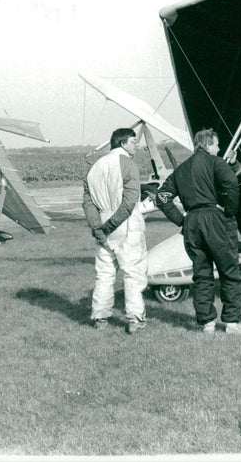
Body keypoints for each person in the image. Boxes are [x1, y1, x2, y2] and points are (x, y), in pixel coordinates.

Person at [156, 128, 241, 335]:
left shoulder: (181, 169)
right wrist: (230, 210)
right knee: (229, 271)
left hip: (192, 222)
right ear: (207, 145)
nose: (219, 149)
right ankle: (232, 322)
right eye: (216, 145)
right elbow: (232, 183)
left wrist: (181, 221)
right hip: (216, 219)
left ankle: (207, 323)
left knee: (202, 273)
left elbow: (162, 197)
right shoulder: (216, 162)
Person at [83, 128, 149, 334]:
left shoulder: (95, 167)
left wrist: (98, 228)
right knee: (133, 273)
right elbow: (130, 201)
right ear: (122, 143)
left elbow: (88, 202)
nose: (136, 145)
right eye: (133, 141)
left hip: (103, 219)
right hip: (126, 223)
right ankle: (135, 319)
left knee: (104, 273)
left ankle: (100, 317)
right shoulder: (128, 164)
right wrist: (110, 226)